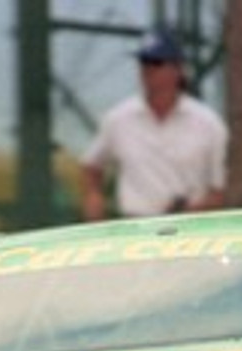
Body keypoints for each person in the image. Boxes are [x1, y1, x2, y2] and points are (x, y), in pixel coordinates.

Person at [81, 26, 228, 220]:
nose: (148, 70)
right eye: (143, 62)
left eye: (156, 63)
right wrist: (94, 200)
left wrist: (188, 212)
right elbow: (91, 166)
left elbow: (220, 191)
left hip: (191, 232)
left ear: (178, 69)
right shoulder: (118, 119)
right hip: (135, 229)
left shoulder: (209, 123)